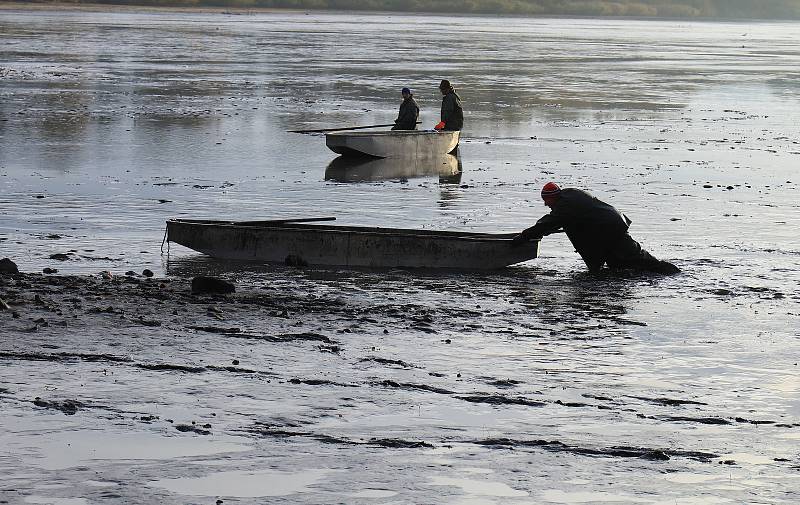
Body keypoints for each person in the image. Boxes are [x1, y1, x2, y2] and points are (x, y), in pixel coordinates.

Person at [512, 182, 680, 274]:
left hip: (610, 230)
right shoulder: (570, 194)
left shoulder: (565, 206)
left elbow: (550, 222)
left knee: (636, 257)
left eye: (546, 201)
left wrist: (524, 236)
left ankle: (671, 272)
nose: (545, 204)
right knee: (618, 264)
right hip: (611, 225)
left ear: (552, 198)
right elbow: (557, 221)